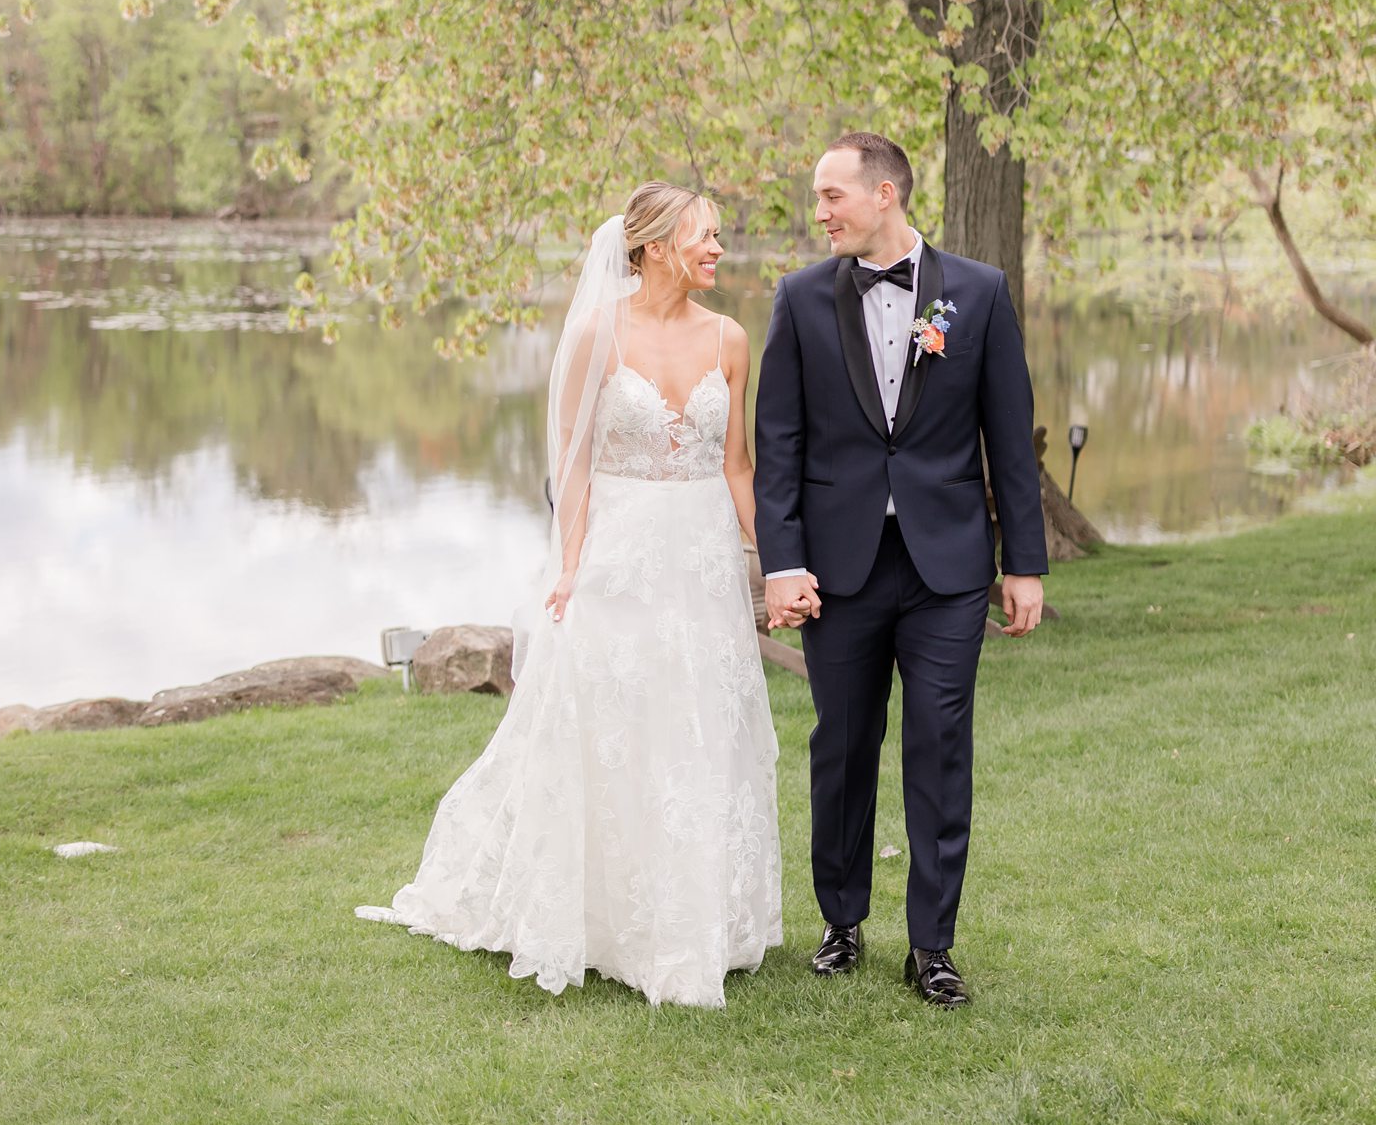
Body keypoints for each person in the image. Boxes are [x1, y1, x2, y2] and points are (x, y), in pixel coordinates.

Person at [359, 183, 781, 1008]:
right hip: (621, 555)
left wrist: (777, 558)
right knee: (619, 728)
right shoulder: (597, 332)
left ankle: (696, 920)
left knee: (699, 723)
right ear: (656, 245)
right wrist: (570, 564)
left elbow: (736, 463)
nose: (719, 251)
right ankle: (607, 919)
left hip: (699, 559)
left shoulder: (731, 338)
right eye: (705, 236)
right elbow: (575, 461)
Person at [753, 131, 1046, 1009]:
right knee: (841, 745)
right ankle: (841, 923)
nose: (820, 211)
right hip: (839, 569)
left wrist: (1022, 564)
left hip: (948, 567)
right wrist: (784, 561)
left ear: (884, 194)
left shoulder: (980, 295)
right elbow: (778, 446)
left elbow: (1010, 439)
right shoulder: (800, 299)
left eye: (831, 195)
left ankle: (933, 945)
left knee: (940, 744)